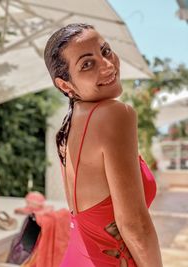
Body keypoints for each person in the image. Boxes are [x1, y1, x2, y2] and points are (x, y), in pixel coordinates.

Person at [44, 23, 163, 267]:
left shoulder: (67, 131)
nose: (108, 65)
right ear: (65, 85)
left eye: (105, 51)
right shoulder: (115, 115)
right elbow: (134, 225)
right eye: (87, 64)